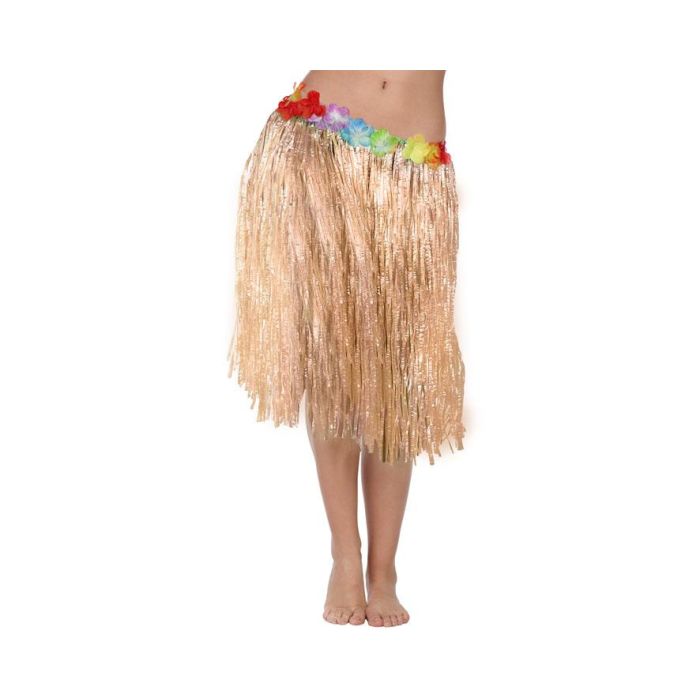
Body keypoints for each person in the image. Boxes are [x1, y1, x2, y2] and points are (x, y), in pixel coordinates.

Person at [228, 70, 466, 626]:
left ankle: (385, 571)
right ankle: (346, 555)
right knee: (334, 363)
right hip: (320, 144)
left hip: (413, 171)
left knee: (396, 382)